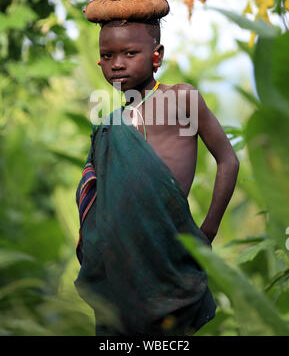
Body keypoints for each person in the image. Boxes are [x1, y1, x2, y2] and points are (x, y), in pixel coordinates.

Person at [74, 18, 240, 336]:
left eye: (130, 53)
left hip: (171, 254)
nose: (117, 64)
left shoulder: (182, 98)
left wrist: (209, 230)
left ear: (157, 55)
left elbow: (228, 161)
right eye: (107, 56)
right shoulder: (109, 124)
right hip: (121, 266)